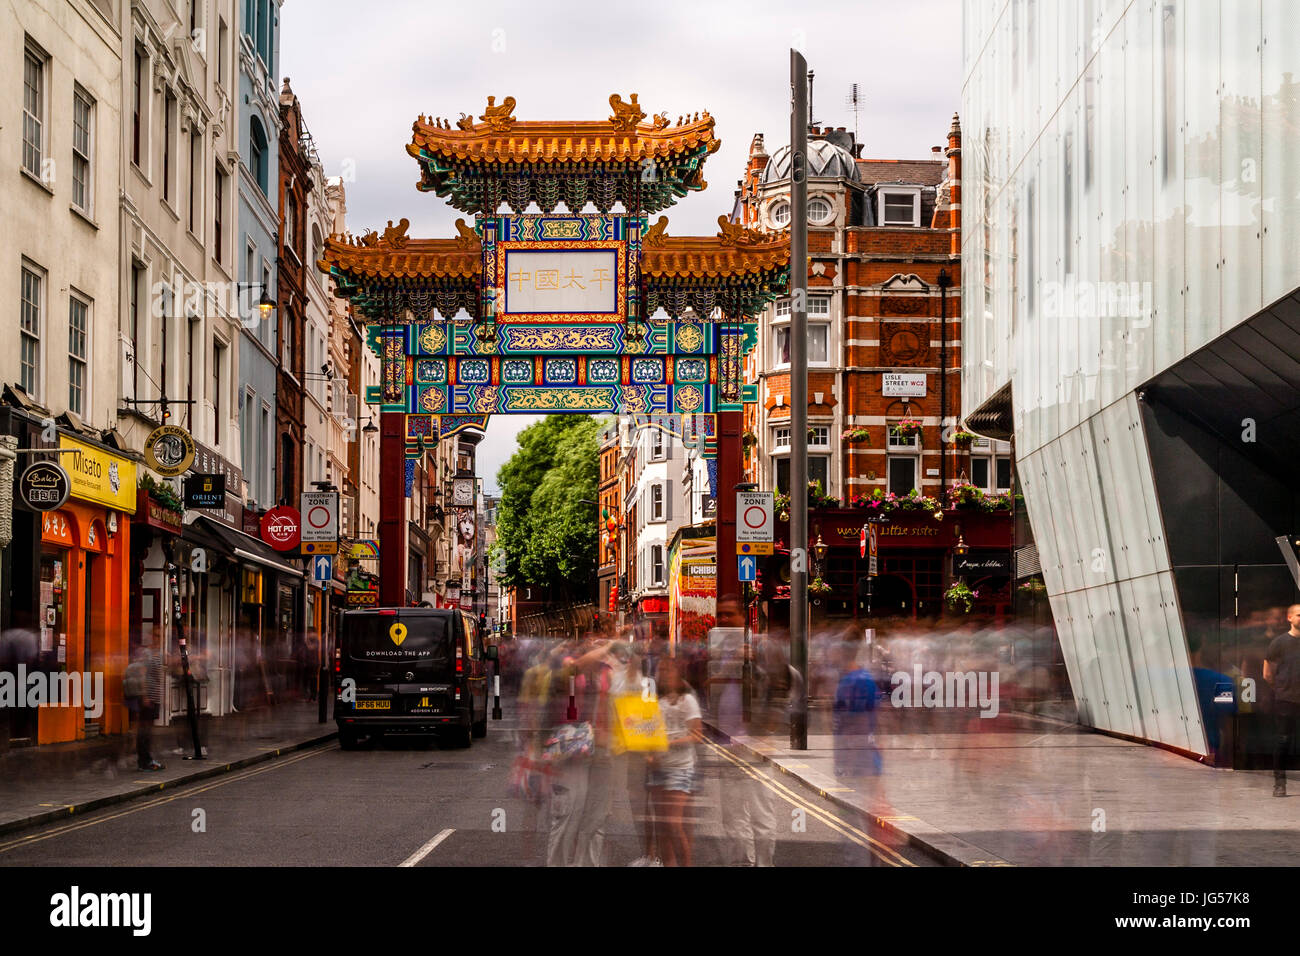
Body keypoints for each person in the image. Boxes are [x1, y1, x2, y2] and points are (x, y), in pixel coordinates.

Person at [646, 657, 702, 867]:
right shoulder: (657, 702)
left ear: (678, 673)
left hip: (680, 768)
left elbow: (697, 735)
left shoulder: (687, 701)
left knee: (674, 824)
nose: (663, 674)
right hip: (659, 767)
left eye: (668, 670)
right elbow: (649, 732)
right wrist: (649, 754)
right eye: (661, 670)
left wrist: (669, 743)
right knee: (662, 827)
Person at [1264, 604, 1300, 796]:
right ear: (1289, 618)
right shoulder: (1279, 643)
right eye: (1299, 615)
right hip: (1286, 701)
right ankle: (1279, 784)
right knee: (1283, 741)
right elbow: (1267, 673)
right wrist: (1281, 690)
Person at [124, 627, 165, 771]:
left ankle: (147, 759)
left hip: (155, 696)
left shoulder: (159, 654)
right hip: (148, 696)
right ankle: (143, 761)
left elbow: (160, 675)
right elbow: (142, 674)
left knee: (148, 730)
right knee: (144, 730)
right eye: (157, 635)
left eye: (161, 636)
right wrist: (144, 695)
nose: (159, 639)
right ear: (151, 636)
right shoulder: (147, 654)